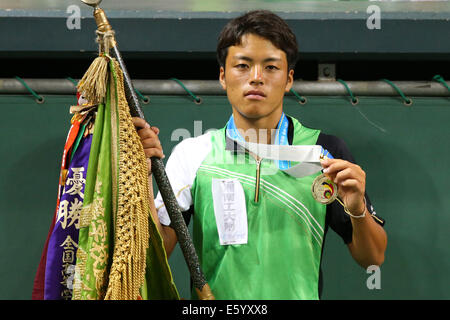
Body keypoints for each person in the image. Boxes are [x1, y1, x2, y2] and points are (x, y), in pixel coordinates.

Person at [132, 10, 387, 300]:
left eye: (270, 67)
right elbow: (152, 254)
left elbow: (372, 257)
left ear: (289, 79)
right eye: (242, 65)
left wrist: (357, 210)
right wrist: (141, 178)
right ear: (223, 76)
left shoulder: (324, 152)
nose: (256, 78)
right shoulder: (192, 155)